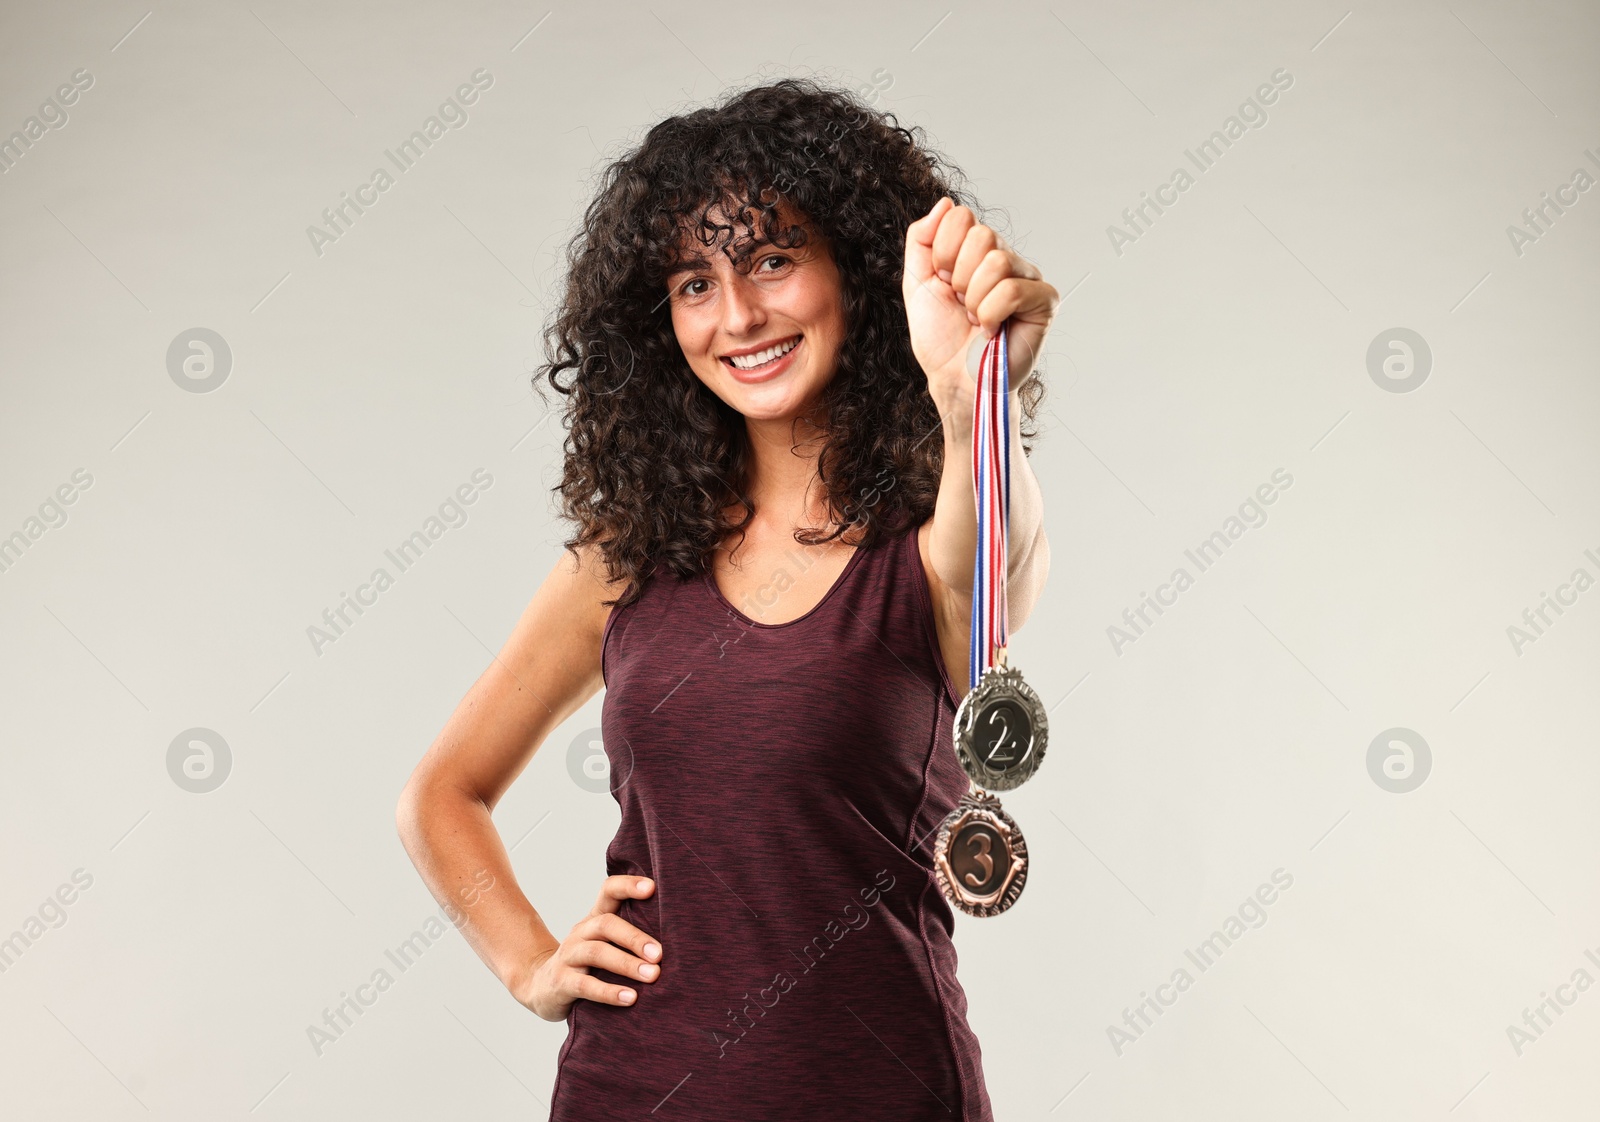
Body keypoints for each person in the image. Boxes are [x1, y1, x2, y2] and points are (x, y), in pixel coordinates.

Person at [396, 77, 1057, 1120]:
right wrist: (532, 965)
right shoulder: (629, 560)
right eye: (692, 283)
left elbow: (997, 549)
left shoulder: (932, 543)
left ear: (855, 267)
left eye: (772, 259)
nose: (738, 315)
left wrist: (968, 384)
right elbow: (441, 795)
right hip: (629, 1092)